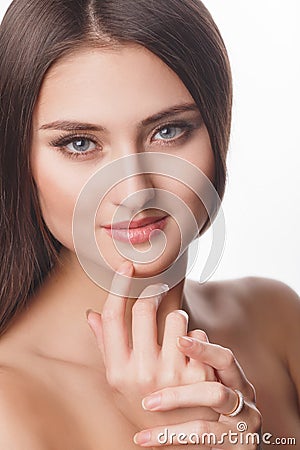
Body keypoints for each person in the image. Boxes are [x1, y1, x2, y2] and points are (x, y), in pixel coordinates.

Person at [0, 0, 299, 448]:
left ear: (218, 129)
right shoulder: (9, 408)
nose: (135, 189)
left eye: (168, 131)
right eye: (80, 143)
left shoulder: (275, 318)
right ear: (19, 158)